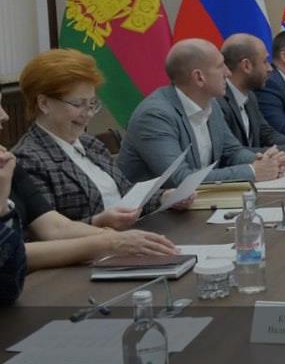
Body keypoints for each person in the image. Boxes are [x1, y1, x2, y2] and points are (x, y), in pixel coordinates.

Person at [0, 92, 176, 303]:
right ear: (44, 103)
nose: (5, 115)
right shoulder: (26, 156)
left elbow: (55, 226)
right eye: (78, 103)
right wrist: (108, 242)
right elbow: (18, 252)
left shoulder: (7, 162)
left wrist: (122, 239)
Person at [13, 49, 192, 227]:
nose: (89, 113)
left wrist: (165, 197)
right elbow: (45, 231)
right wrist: (98, 222)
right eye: (78, 104)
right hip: (94, 244)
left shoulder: (90, 144)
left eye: (92, 103)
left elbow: (125, 193)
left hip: (130, 236)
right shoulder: (28, 159)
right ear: (44, 103)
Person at [118, 39, 285, 187]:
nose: (228, 73)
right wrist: (253, 171)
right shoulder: (155, 115)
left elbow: (232, 152)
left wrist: (264, 161)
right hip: (152, 211)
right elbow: (179, 179)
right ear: (199, 77)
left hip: (198, 203)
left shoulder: (211, 104)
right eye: (220, 66)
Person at [218, 34, 285, 159]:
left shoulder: (250, 96)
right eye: (264, 62)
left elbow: (267, 134)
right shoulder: (218, 102)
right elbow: (233, 152)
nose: (269, 68)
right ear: (246, 66)